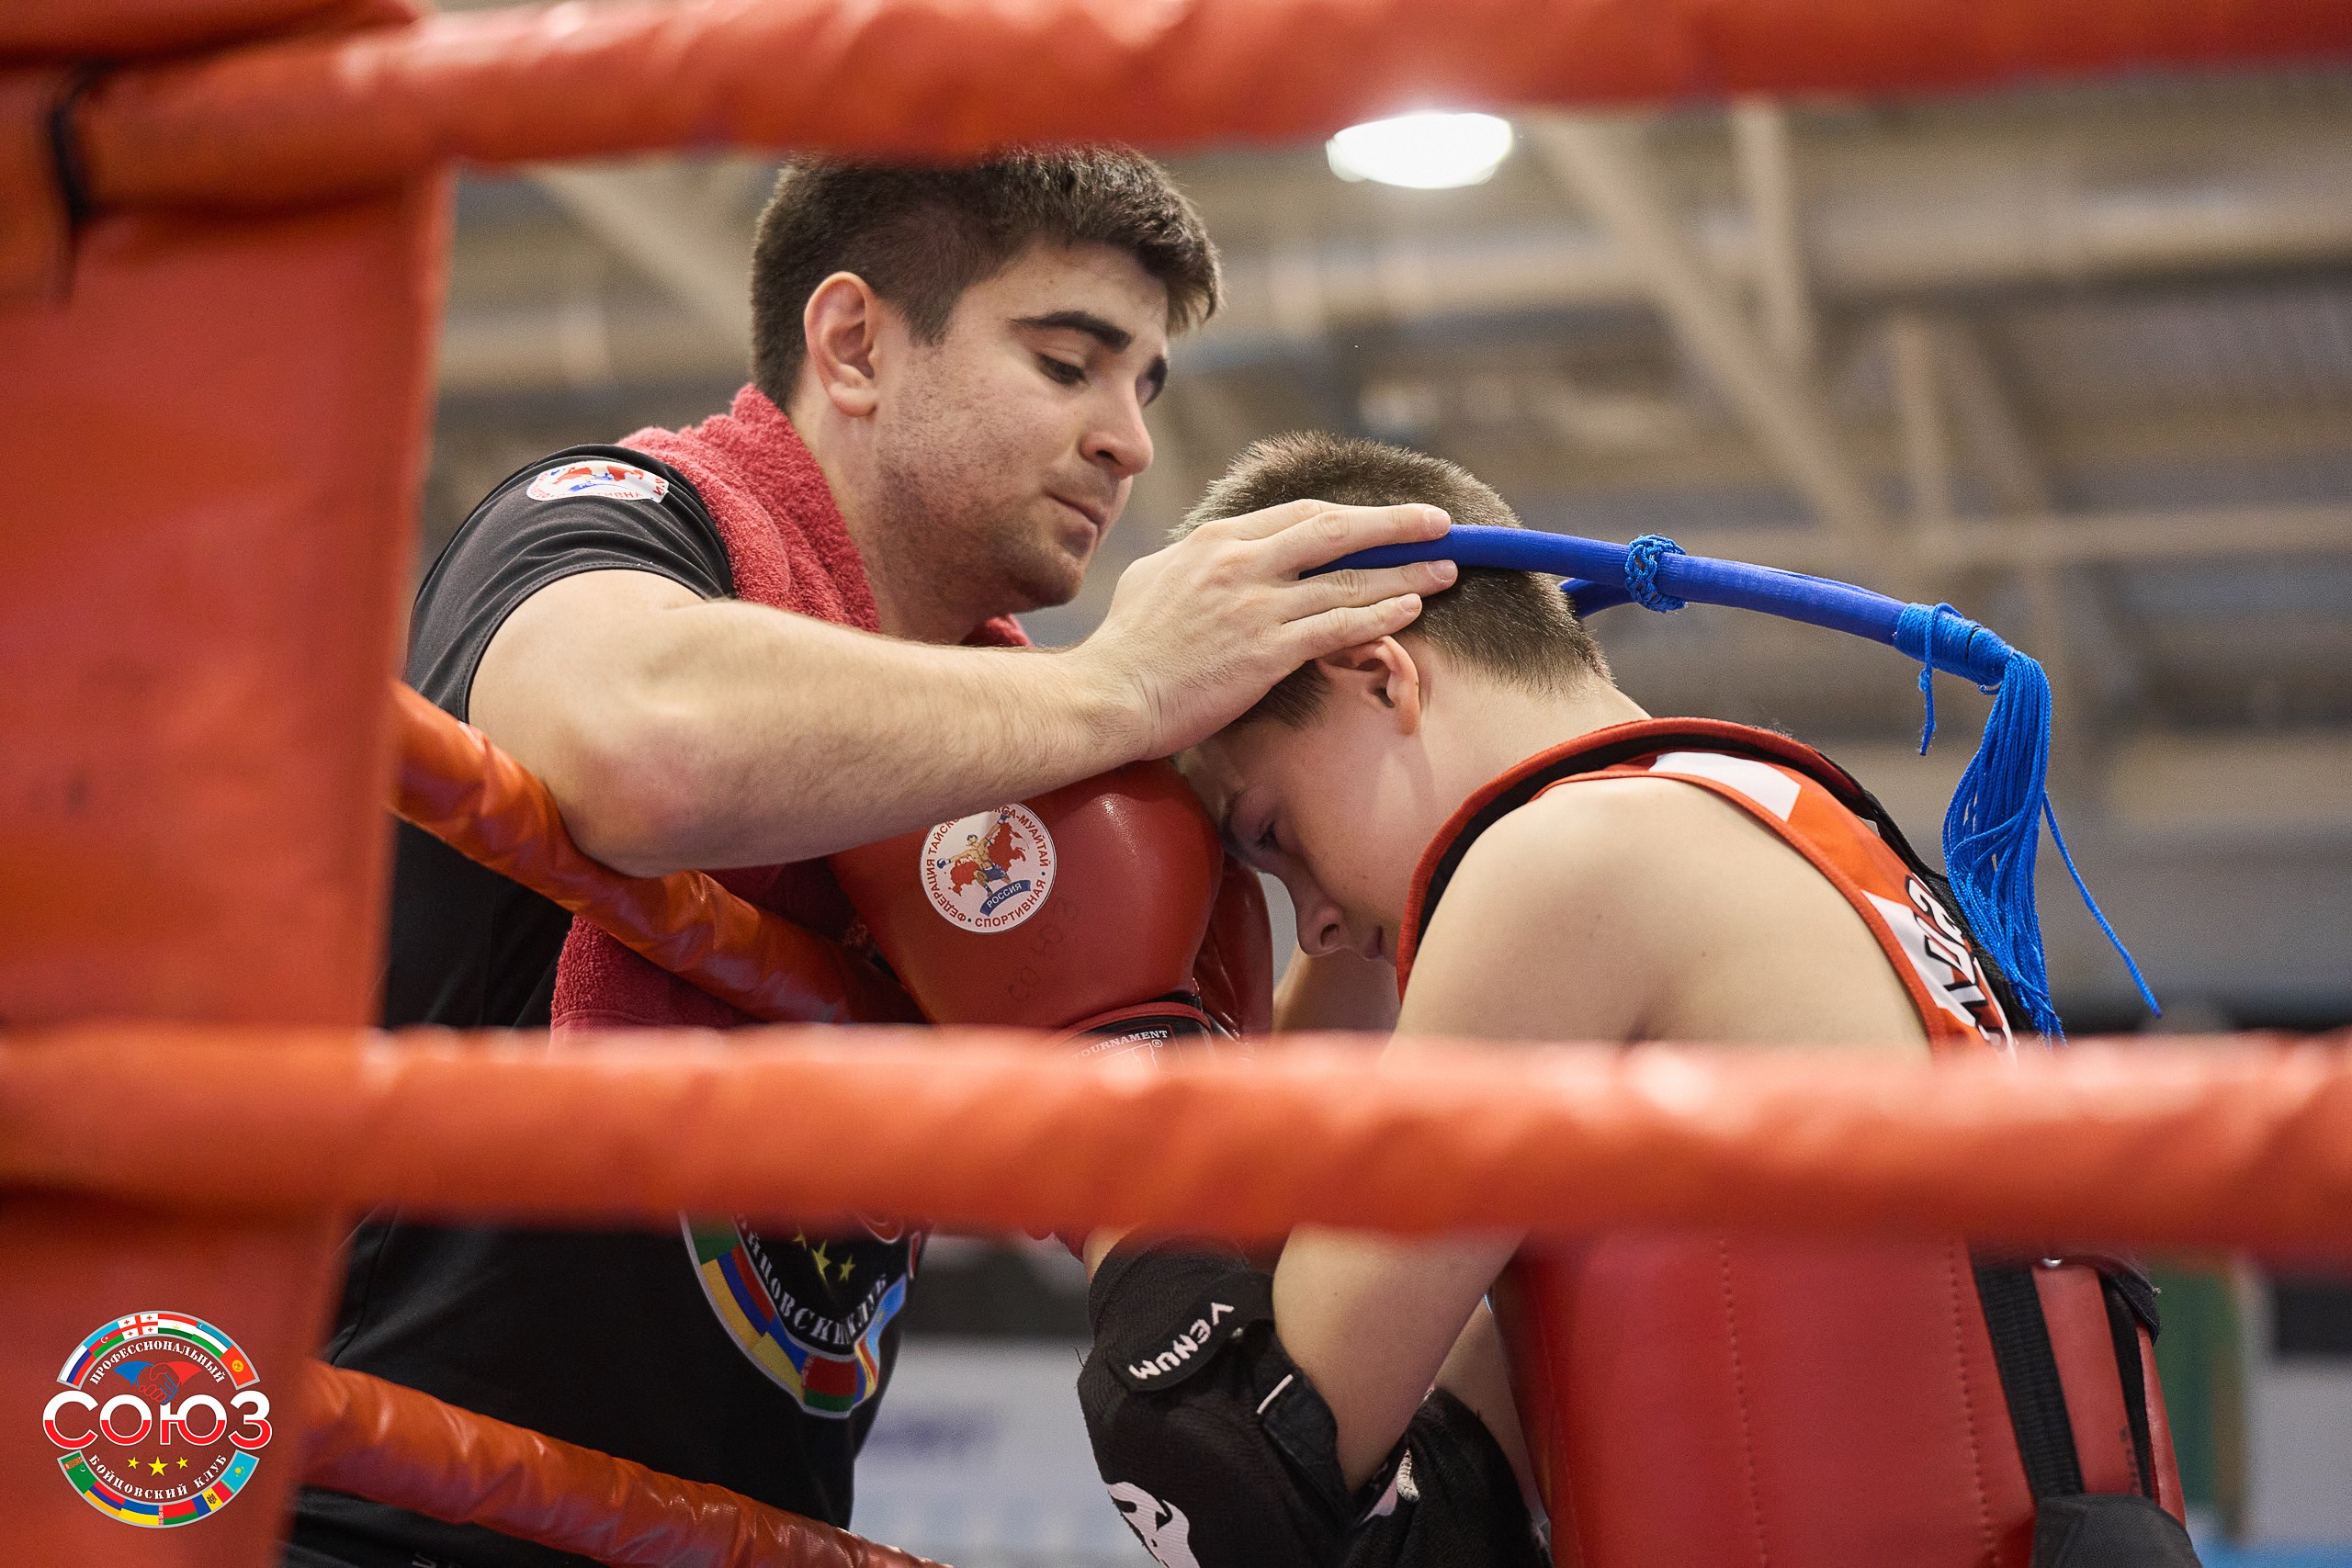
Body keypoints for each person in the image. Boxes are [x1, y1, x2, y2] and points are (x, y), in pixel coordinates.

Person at [289, 154, 1461, 1568]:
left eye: (1146, 384)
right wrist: (1122, 691)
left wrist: (1338, 897)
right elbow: (629, 738)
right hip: (382, 1513)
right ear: (853, 344)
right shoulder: (625, 518)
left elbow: (1180, 1196)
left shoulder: (1018, 763)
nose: (1129, 438)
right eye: (1069, 362)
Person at [1078, 433, 2195, 1568]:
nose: (1310, 920)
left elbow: (1240, 1481)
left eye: (1275, 835)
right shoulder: (1792, 832)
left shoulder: (1569, 861)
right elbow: (1426, 1524)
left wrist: (1112, 1049)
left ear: (1380, 673)